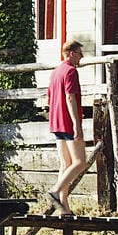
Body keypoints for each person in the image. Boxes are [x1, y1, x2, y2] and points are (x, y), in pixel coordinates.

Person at [45, 41, 89, 216]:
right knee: (80, 162)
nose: (81, 56)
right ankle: (55, 191)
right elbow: (70, 98)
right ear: (71, 53)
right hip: (67, 121)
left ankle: (63, 208)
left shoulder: (56, 72)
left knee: (66, 164)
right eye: (79, 53)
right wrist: (77, 125)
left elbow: (49, 98)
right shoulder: (70, 71)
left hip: (55, 121)